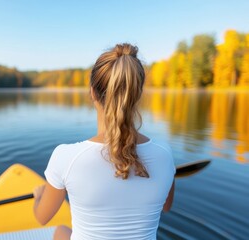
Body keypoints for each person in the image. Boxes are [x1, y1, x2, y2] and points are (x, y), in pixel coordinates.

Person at [33, 43, 175, 240]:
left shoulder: (66, 157)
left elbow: (42, 217)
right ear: (138, 94)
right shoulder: (165, 154)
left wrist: (38, 197)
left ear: (92, 93)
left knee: (60, 232)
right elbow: (166, 206)